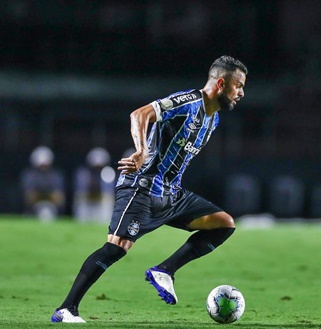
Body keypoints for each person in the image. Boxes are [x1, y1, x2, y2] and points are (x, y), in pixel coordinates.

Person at [51, 55, 248, 323]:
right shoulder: (188, 102)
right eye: (238, 86)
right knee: (116, 248)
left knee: (223, 223)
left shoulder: (213, 120)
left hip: (171, 194)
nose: (241, 93)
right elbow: (140, 114)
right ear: (222, 83)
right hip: (141, 187)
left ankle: (165, 270)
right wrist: (142, 151)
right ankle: (66, 310)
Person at [21, 146, 66, 221]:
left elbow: (59, 198)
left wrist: (40, 196)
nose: (43, 167)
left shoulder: (56, 175)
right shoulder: (29, 175)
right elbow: (29, 197)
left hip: (51, 207)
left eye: (45, 165)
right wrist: (49, 196)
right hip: (32, 208)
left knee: (46, 212)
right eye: (41, 165)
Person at [73, 147, 116, 223]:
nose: (97, 168)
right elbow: (80, 190)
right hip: (86, 201)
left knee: (107, 203)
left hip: (101, 202)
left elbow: (108, 192)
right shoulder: (83, 173)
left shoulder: (108, 172)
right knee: (80, 202)